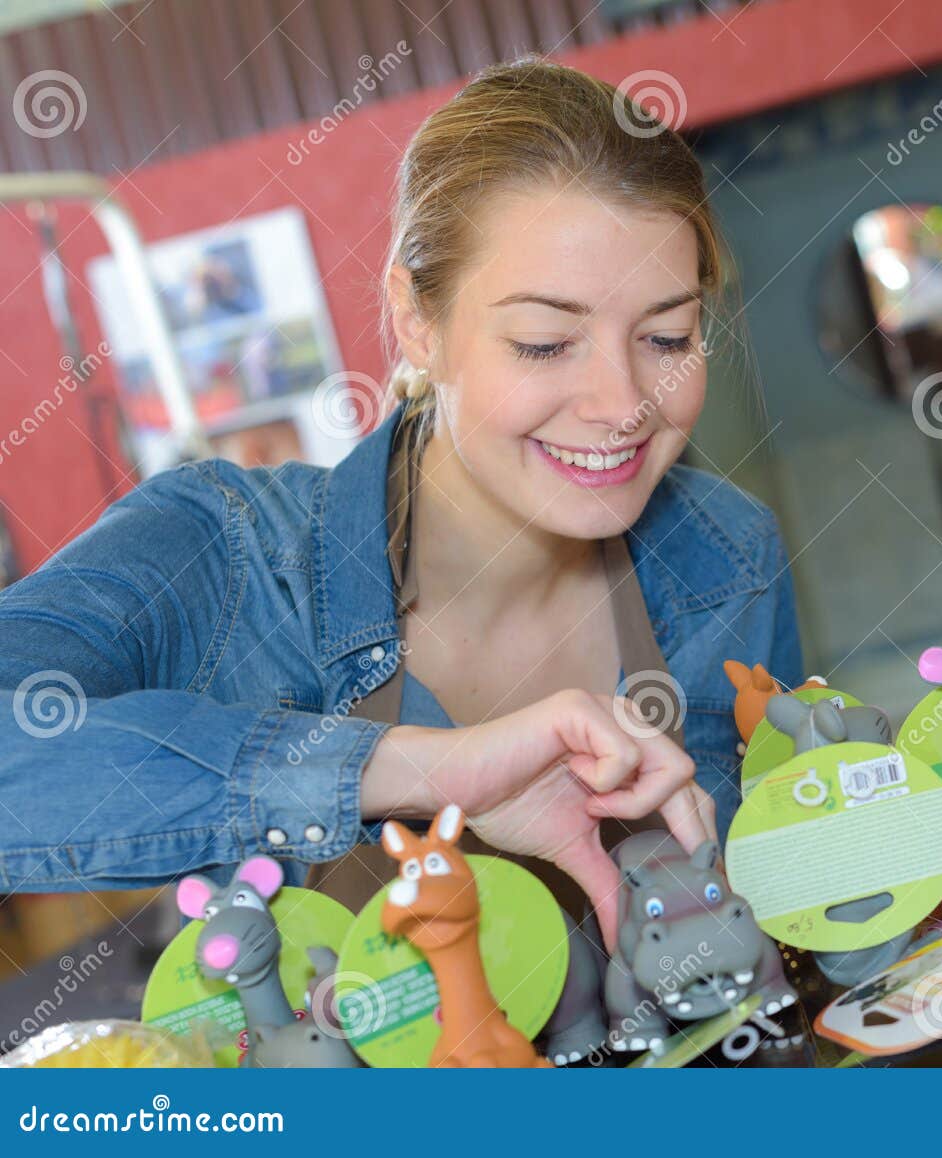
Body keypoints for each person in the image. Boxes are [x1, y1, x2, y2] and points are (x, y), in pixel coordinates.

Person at [0, 57, 803, 950]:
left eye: (667, 336)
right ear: (419, 321)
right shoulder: (225, 554)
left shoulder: (727, 557)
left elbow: (778, 907)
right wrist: (419, 768)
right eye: (544, 343)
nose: (623, 404)